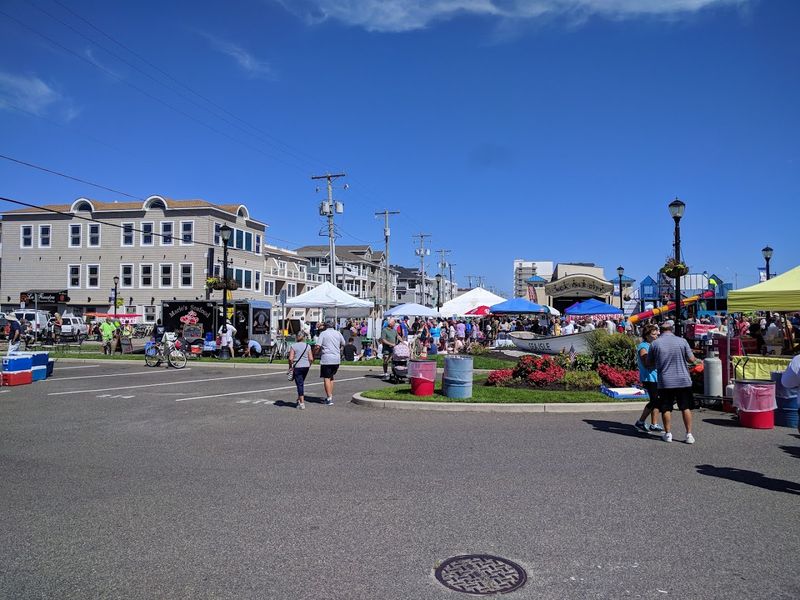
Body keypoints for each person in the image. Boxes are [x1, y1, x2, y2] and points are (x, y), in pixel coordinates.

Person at [647, 320, 700, 443]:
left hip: (665, 381)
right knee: (685, 407)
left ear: (660, 331)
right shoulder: (682, 341)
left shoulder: (655, 344)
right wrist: (698, 360)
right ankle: (689, 435)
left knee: (666, 408)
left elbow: (649, 362)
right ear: (672, 330)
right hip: (683, 380)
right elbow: (691, 359)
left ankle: (668, 434)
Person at [633, 324, 664, 433]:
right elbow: (646, 363)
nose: (656, 336)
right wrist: (661, 361)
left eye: (657, 334)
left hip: (656, 377)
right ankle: (640, 422)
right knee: (655, 400)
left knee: (656, 401)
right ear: (647, 336)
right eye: (653, 334)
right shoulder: (643, 346)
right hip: (649, 378)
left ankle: (654, 424)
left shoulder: (653, 345)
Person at [317, 320, 345, 405]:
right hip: (336, 358)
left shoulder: (323, 334)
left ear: (326, 326)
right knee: (331, 377)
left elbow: (318, 346)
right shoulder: (338, 333)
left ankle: (329, 398)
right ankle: (330, 395)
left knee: (326, 378)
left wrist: (315, 353)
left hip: (327, 359)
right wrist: (339, 349)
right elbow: (343, 343)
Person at [288, 331, 313, 409]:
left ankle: (302, 403)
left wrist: (290, 366)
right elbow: (311, 358)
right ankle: (299, 399)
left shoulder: (293, 346)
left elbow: (290, 358)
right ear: (304, 337)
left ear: (297, 337)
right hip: (306, 366)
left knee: (299, 384)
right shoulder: (308, 346)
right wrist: (309, 365)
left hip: (297, 366)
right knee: (301, 382)